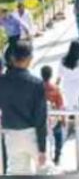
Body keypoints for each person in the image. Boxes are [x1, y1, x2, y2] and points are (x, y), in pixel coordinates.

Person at [0, 42, 48, 174]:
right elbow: (40, 117)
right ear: (29, 59)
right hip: (31, 134)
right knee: (45, 171)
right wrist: (42, 148)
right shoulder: (36, 83)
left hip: (11, 135)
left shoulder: (2, 81)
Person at [41, 65, 64, 166]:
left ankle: (43, 157)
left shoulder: (37, 88)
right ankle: (57, 156)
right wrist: (63, 119)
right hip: (54, 117)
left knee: (42, 137)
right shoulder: (55, 88)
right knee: (58, 136)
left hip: (42, 119)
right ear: (51, 75)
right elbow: (60, 105)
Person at [58, 41, 79, 114]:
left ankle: (71, 114)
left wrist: (57, 82)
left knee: (70, 102)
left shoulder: (63, 60)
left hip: (67, 85)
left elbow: (60, 73)